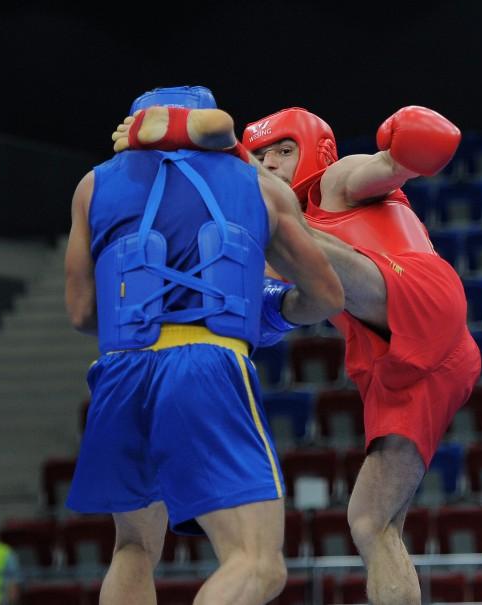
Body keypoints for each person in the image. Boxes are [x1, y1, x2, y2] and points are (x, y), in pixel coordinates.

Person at [113, 103, 481, 605]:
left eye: (283, 151)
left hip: (422, 299)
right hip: (404, 367)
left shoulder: (338, 181)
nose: (271, 164)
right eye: (260, 156)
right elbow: (263, 319)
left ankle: (199, 142)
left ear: (315, 152)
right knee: (371, 523)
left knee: (285, 227)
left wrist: (406, 148)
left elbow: (405, 160)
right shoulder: (273, 249)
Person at [65, 86, 343, 605]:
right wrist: (271, 310)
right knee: (258, 564)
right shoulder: (256, 185)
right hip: (205, 365)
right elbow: (327, 294)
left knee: (132, 549)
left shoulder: (91, 186)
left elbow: (82, 314)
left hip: (119, 372)